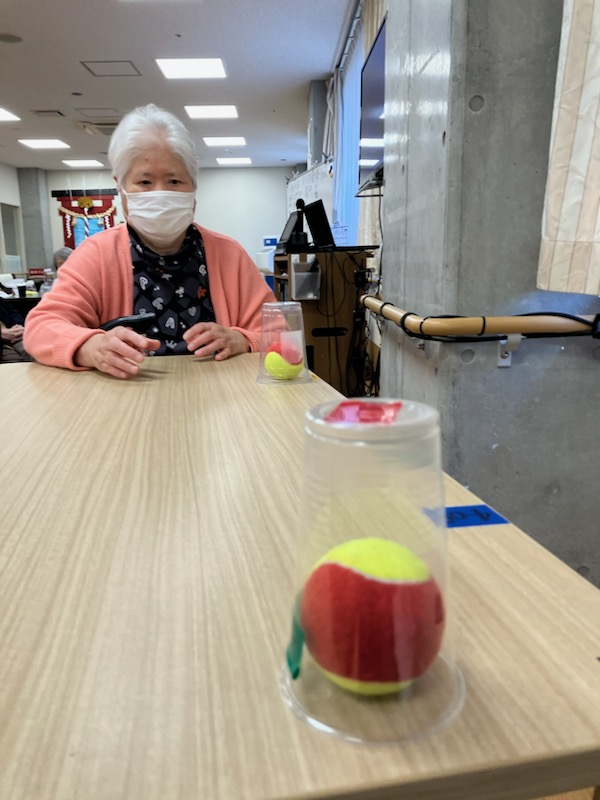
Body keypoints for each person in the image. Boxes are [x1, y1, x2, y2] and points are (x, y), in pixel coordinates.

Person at [24, 103, 276, 379]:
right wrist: (90, 346)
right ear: (121, 188)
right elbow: (41, 327)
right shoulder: (96, 254)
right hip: (126, 395)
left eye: (175, 181)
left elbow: (278, 332)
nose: (160, 194)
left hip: (220, 394)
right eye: (144, 182)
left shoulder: (229, 254)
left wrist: (241, 339)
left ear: (194, 187)